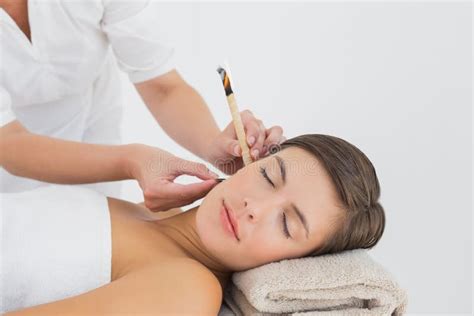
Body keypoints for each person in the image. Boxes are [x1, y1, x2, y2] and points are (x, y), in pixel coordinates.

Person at [1, 134, 386, 315]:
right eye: (268, 176)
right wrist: (133, 158)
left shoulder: (188, 288)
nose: (255, 208)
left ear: (296, 262)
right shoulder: (156, 212)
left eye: (287, 224)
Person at [0, 0, 284, 208]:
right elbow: (7, 144)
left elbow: (162, 86)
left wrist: (215, 147)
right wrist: (131, 160)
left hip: (94, 149)